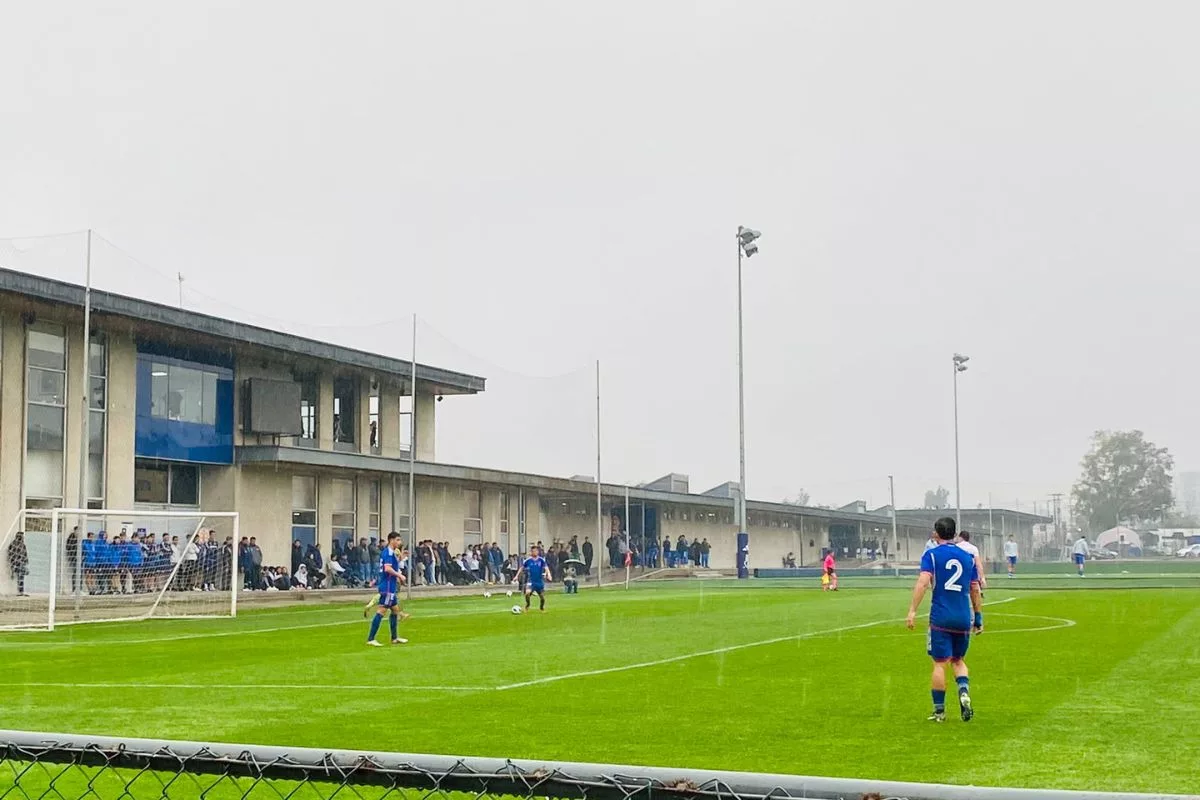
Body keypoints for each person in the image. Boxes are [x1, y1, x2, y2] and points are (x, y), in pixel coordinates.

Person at [906, 517, 983, 723]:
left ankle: (939, 712)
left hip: (941, 617)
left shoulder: (931, 555)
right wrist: (978, 617)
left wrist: (912, 610)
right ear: (955, 533)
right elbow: (975, 588)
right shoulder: (967, 557)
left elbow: (923, 583)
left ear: (936, 533)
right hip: (963, 617)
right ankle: (964, 692)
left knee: (940, 663)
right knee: (958, 660)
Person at [366, 532, 409, 646]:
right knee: (381, 610)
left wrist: (400, 558)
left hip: (390, 584)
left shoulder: (390, 553)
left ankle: (394, 638)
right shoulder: (388, 553)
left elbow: (392, 565)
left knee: (395, 610)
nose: (399, 542)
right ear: (391, 540)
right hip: (388, 585)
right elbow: (387, 568)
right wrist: (400, 575)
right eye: (398, 540)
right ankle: (371, 639)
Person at [514, 544, 552, 612]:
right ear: (531, 552)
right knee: (527, 593)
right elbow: (521, 568)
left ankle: (541, 608)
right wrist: (516, 576)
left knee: (542, 598)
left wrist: (549, 574)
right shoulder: (528, 560)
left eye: (535, 551)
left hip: (539, 581)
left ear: (537, 552)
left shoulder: (541, 560)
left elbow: (546, 568)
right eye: (533, 551)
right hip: (531, 581)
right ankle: (527, 605)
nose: (534, 552)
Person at [7, 531, 29, 596]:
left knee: (21, 577)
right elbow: (10, 554)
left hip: (21, 563)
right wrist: (12, 564)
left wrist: (26, 561)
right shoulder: (13, 544)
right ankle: (18, 591)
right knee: (18, 577)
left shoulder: (23, 545)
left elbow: (25, 553)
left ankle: (20, 591)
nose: (22, 538)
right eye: (21, 537)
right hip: (16, 564)